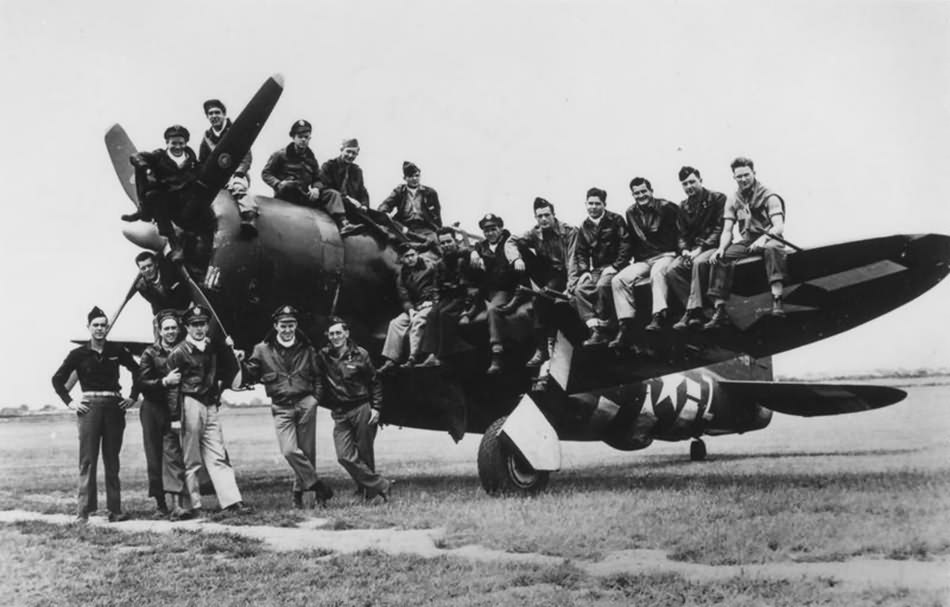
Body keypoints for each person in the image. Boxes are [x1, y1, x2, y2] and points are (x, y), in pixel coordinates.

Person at [241, 305, 334, 508]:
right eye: (283, 325)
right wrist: (238, 360)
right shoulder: (261, 349)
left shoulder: (307, 348)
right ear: (275, 326)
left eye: (291, 325)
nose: (287, 329)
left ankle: (302, 497)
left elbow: (318, 376)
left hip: (305, 403)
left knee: (307, 452)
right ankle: (318, 487)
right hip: (281, 406)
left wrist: (315, 399)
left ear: (296, 325)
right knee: (290, 451)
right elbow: (250, 373)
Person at [51, 306, 139, 522]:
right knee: (88, 460)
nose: (100, 329)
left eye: (103, 325)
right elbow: (57, 380)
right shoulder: (78, 354)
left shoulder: (117, 350)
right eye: (96, 325)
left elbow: (138, 371)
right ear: (88, 328)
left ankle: (115, 510)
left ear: (108, 327)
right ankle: (83, 511)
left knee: (112, 459)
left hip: (114, 407)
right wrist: (71, 403)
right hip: (89, 408)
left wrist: (133, 397)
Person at [167, 304, 252, 515]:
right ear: (186, 327)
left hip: (211, 404)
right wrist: (175, 416)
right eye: (194, 324)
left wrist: (233, 352)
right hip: (190, 403)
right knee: (191, 458)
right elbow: (172, 389)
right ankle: (193, 505)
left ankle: (232, 501)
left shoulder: (213, 348)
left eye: (203, 324)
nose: (199, 328)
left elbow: (228, 371)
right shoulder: (178, 353)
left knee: (217, 454)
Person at [704, 157, 789, 329]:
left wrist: (763, 239)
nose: (743, 179)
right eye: (739, 176)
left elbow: (778, 226)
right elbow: (727, 229)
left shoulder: (769, 196)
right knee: (721, 258)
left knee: (773, 250)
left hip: (769, 237)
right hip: (748, 241)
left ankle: (777, 299)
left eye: (746, 175)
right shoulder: (733, 199)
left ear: (754, 173)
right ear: (734, 177)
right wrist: (721, 248)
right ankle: (720, 309)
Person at [315, 318, 391, 501]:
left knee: (365, 453)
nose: (335, 337)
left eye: (338, 333)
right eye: (332, 334)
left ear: (346, 334)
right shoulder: (323, 356)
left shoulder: (360, 354)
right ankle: (381, 485)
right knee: (344, 455)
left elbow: (375, 383)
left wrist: (377, 408)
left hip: (361, 407)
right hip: (340, 412)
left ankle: (366, 492)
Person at [609, 177, 679, 346]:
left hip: (666, 254)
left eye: (643, 191)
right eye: (636, 193)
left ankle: (658, 315)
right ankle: (625, 323)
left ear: (651, 190)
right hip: (643, 259)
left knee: (658, 273)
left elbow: (680, 230)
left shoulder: (667, 207)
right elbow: (630, 241)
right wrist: (618, 265)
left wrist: (681, 251)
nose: (641, 195)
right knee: (618, 280)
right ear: (632, 194)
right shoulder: (630, 212)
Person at [137, 311, 191, 519]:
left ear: (178, 329)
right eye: (166, 328)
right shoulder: (149, 354)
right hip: (152, 408)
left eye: (173, 328)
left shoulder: (183, 350)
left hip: (174, 408)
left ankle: (177, 504)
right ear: (159, 331)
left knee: (173, 454)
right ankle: (160, 504)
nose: (170, 332)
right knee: (153, 456)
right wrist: (163, 382)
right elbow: (141, 382)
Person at [261, 120, 357, 235]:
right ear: (293, 137)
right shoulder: (281, 155)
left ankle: (343, 223)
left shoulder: (311, 158)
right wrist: (278, 184)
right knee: (290, 185)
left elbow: (318, 178)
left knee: (332, 193)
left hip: (303, 195)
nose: (303, 140)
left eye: (306, 137)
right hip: (287, 193)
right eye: (300, 137)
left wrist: (316, 188)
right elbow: (266, 173)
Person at [125, 125, 206, 261]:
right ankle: (171, 239)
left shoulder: (193, 163)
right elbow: (135, 156)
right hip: (167, 201)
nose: (177, 147)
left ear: (186, 143)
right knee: (152, 193)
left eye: (181, 143)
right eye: (173, 143)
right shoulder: (159, 157)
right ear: (167, 143)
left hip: (187, 204)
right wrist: (147, 169)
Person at [515, 197, 578, 366]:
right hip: (548, 274)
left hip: (565, 272)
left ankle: (543, 348)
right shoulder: (535, 232)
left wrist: (570, 286)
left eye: (546, 215)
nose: (543, 219)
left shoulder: (568, 231)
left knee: (541, 300)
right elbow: (511, 241)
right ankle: (542, 348)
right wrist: (516, 259)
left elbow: (572, 261)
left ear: (553, 214)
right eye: (539, 216)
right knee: (520, 246)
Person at [667, 166, 727, 331]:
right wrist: (685, 250)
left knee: (699, 263)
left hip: (713, 246)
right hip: (692, 249)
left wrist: (700, 249)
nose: (689, 186)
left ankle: (690, 311)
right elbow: (681, 234)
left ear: (700, 180)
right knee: (672, 270)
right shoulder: (683, 206)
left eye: (692, 181)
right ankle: (696, 311)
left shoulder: (717, 198)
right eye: (685, 184)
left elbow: (719, 228)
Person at [470, 213, 530, 374]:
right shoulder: (482, 247)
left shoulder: (510, 243)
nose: (490, 233)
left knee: (493, 310)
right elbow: (477, 248)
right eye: (486, 230)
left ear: (501, 228)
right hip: (492, 289)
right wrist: (474, 253)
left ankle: (497, 351)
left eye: (493, 229)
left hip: (511, 288)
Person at [570, 187, 631, 346]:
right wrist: (584, 271)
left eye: (597, 203)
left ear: (604, 204)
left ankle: (610, 325)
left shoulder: (616, 220)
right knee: (580, 290)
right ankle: (596, 329)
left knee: (603, 285)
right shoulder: (584, 226)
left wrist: (616, 266)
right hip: (597, 269)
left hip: (615, 266)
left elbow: (626, 244)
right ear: (586, 204)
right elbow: (581, 252)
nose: (593, 207)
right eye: (590, 203)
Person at [198, 99, 258, 234]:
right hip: (215, 178)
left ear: (224, 114)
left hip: (234, 174)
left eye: (217, 112)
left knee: (238, 187)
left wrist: (240, 172)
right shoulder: (207, 138)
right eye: (210, 113)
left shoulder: (235, 131)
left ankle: (249, 216)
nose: (214, 116)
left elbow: (246, 155)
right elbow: (202, 161)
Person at [418, 227, 476, 366]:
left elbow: (468, 283)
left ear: (455, 241)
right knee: (433, 314)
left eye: (448, 241)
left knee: (445, 314)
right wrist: (436, 302)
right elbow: (436, 286)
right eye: (442, 243)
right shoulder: (440, 263)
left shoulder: (464, 257)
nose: (446, 245)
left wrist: (473, 252)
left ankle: (443, 355)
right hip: (448, 297)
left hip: (464, 296)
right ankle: (431, 353)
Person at [377, 243, 439, 371]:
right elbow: (404, 296)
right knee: (395, 323)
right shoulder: (402, 274)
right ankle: (391, 360)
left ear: (417, 254)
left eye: (412, 255)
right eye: (406, 256)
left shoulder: (430, 266)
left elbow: (437, 285)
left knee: (418, 321)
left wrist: (432, 301)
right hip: (415, 307)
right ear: (402, 259)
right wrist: (410, 310)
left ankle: (412, 357)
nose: (410, 259)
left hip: (430, 303)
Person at [377, 161, 443, 243]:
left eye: (417, 175)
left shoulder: (430, 193)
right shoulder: (399, 191)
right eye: (411, 176)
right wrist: (384, 212)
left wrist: (440, 231)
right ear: (405, 178)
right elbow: (386, 204)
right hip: (404, 228)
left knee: (435, 246)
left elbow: (437, 214)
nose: (415, 179)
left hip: (425, 227)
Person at [319, 138, 370, 208]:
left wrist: (364, 205)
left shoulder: (357, 171)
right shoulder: (329, 166)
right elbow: (326, 188)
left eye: (354, 153)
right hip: (335, 204)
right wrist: (347, 198)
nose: (350, 155)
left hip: (353, 207)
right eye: (348, 151)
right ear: (342, 150)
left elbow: (363, 192)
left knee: (382, 217)